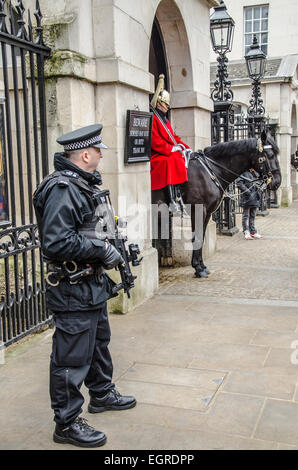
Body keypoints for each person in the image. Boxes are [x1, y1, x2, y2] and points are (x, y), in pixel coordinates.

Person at [33, 124, 136, 448]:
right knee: (71, 356)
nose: (103, 155)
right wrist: (102, 250)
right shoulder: (62, 188)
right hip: (71, 286)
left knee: (97, 343)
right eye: (99, 150)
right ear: (86, 155)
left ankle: (102, 394)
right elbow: (57, 241)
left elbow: (88, 229)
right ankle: (66, 423)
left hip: (90, 285)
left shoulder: (81, 185)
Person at [150, 74, 192, 215]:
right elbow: (155, 141)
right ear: (159, 103)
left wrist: (184, 146)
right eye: (165, 104)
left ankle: (178, 195)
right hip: (157, 154)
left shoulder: (164, 119)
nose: (168, 107)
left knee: (180, 157)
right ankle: (171, 199)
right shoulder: (154, 118)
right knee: (170, 160)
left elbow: (173, 137)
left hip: (165, 151)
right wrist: (171, 149)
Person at [236, 168, 264, 240]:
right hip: (247, 198)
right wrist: (248, 192)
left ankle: (253, 231)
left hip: (255, 197)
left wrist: (260, 189)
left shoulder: (256, 173)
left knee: (253, 215)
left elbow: (261, 182)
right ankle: (246, 231)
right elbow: (239, 183)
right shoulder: (243, 172)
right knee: (246, 215)